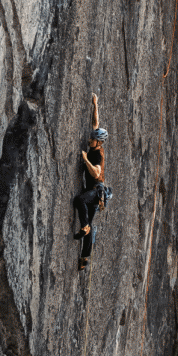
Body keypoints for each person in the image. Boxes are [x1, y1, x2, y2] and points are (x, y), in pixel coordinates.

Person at [73, 94, 109, 269]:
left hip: (96, 190)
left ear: (98, 142)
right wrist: (96, 104)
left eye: (92, 139)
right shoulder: (97, 143)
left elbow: (96, 172)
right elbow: (96, 124)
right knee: (88, 220)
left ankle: (85, 226)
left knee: (79, 200)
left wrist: (85, 159)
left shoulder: (97, 154)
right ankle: (84, 258)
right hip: (94, 193)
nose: (90, 139)